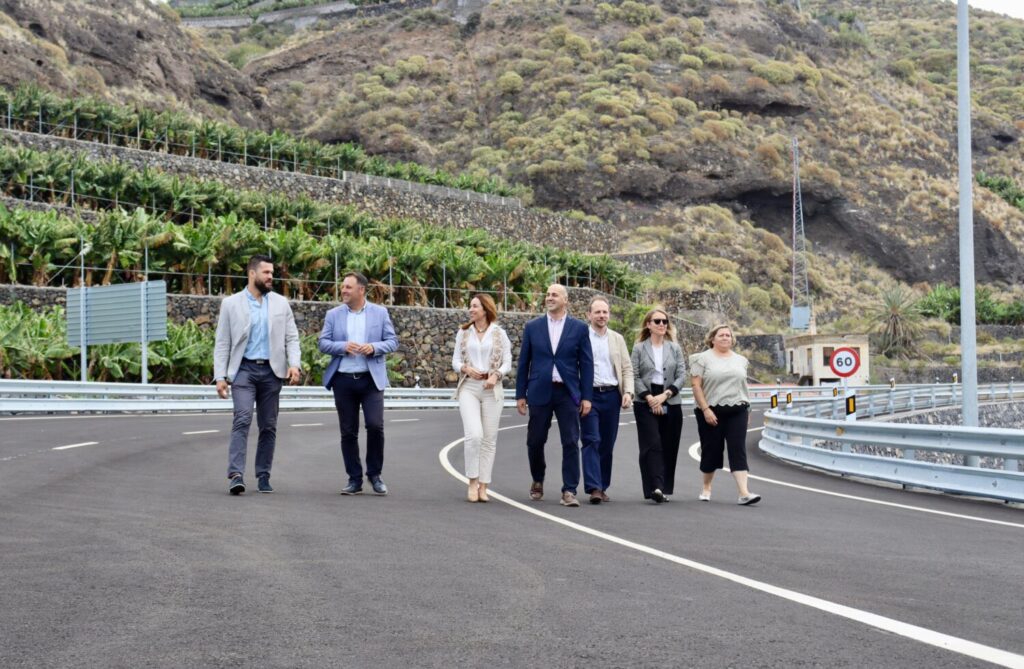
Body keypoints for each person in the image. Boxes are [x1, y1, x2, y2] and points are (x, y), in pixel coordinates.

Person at [213, 254, 301, 495]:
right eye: (266, 272)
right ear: (252, 274)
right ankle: (236, 475)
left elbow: (292, 337)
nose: (271, 276)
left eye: (272, 272)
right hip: (244, 370)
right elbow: (222, 342)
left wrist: (294, 364)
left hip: (272, 372)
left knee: (268, 426)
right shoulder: (231, 304)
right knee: (242, 418)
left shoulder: (281, 303)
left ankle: (263, 475)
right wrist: (220, 376)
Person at [319, 272, 400, 495]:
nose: (343, 290)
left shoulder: (380, 313)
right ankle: (354, 479)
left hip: (370, 380)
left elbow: (392, 342)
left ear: (361, 290)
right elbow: (323, 343)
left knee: (375, 426)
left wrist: (374, 347)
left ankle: (375, 475)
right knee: (348, 432)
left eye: (348, 287)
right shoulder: (333, 315)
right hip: (343, 381)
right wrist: (342, 346)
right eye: (343, 286)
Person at [516, 284, 593, 507]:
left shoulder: (579, 328)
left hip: (567, 392)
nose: (549, 298)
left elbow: (586, 364)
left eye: (554, 295)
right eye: (548, 294)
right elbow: (524, 362)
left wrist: (586, 397)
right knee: (535, 440)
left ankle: (569, 490)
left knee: (570, 441)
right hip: (539, 390)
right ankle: (537, 479)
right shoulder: (533, 327)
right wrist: (521, 394)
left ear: (565, 300)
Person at [690, 324, 761, 505]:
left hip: (738, 410)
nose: (725, 338)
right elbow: (696, 386)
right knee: (712, 451)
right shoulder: (701, 359)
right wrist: (705, 409)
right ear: (712, 339)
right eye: (721, 335)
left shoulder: (741, 360)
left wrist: (748, 408)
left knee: (738, 449)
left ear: (732, 339)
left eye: (728, 335)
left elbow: (743, 387)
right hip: (710, 411)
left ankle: (744, 493)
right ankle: (706, 486)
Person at [452, 294, 512, 503]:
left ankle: (484, 485)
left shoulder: (499, 333)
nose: (471, 309)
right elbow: (455, 361)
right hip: (468, 386)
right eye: (470, 306)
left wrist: (496, 375)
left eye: (475, 306)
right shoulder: (463, 332)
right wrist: (465, 368)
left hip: (492, 389)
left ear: (485, 309)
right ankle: (472, 481)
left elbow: (507, 361)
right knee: (474, 435)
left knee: (489, 439)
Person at [580, 296, 634, 504]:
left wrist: (628, 392)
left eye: (605, 312)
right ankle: (594, 487)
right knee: (591, 439)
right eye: (597, 312)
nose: (602, 316)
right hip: (589, 396)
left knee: (607, 443)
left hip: (612, 395)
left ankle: (602, 486)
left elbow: (626, 368)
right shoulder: (581, 336)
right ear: (589, 315)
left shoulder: (617, 339)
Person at [630, 308, 686, 504]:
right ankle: (655, 487)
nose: (662, 324)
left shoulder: (675, 348)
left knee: (669, 445)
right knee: (652, 444)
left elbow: (682, 376)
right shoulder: (639, 348)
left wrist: (665, 395)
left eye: (665, 321)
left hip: (670, 398)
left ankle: (663, 488)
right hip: (645, 399)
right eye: (657, 321)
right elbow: (634, 375)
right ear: (649, 325)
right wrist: (649, 398)